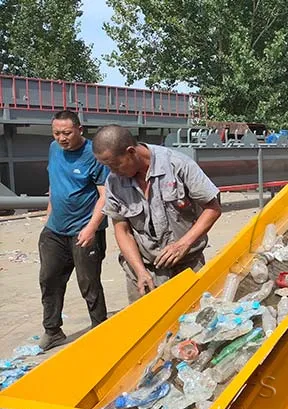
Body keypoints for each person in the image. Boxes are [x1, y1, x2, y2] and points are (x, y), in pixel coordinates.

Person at [92, 125, 222, 303]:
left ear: (130, 151)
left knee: (192, 322)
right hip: (144, 270)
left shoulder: (177, 165)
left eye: (114, 165)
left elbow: (213, 208)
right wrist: (139, 271)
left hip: (186, 265)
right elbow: (122, 230)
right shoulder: (114, 182)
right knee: (148, 326)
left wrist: (182, 245)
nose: (112, 171)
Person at [38, 110, 109, 351]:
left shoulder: (94, 154)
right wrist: (49, 216)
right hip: (55, 230)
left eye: (66, 133)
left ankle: (100, 329)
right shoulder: (53, 149)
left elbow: (104, 196)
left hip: (84, 230)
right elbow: (53, 181)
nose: (61, 138)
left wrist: (91, 228)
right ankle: (52, 330)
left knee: (88, 283)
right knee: (49, 280)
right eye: (56, 133)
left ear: (80, 129)